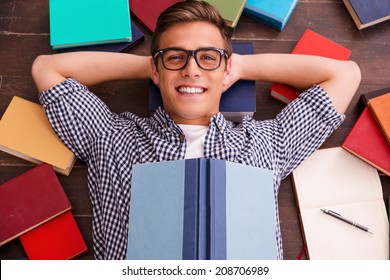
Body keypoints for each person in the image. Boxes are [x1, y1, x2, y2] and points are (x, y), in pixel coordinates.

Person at [31, 0, 361, 259]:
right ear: (155, 69)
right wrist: (156, 67)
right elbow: (48, 68)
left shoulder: (267, 143)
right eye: (176, 57)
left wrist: (240, 65)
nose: (191, 69)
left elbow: (345, 75)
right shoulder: (112, 137)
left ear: (226, 68)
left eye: (207, 57)